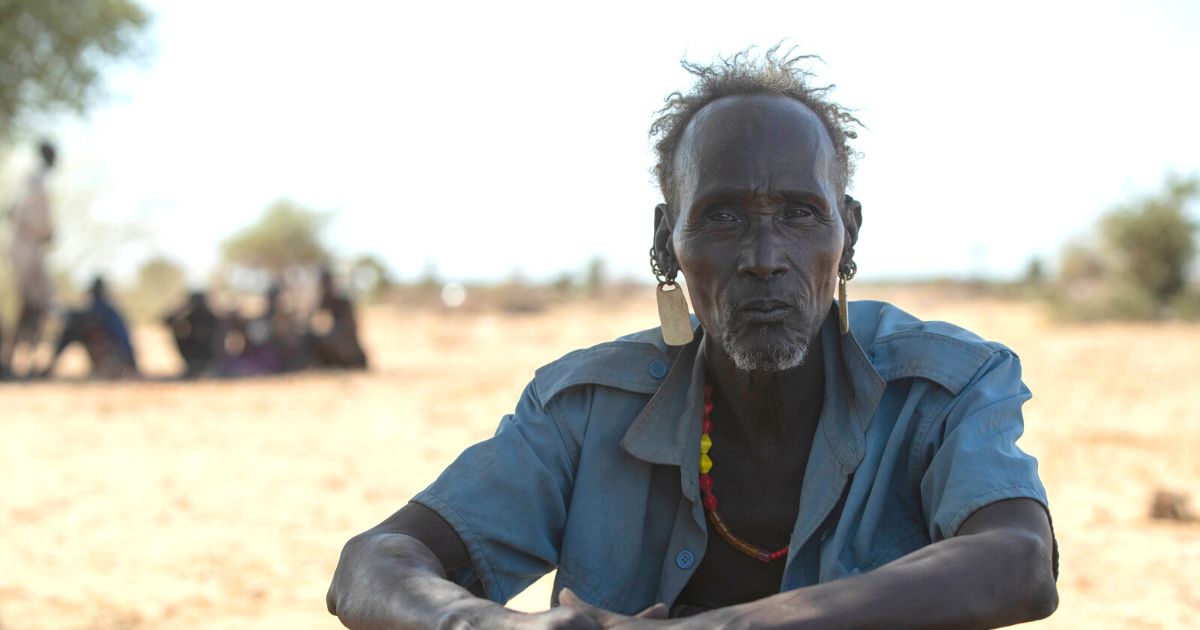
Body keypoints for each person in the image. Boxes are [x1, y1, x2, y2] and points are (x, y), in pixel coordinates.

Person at [328, 48, 1058, 628]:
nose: (765, 257)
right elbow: (372, 565)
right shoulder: (583, 410)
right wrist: (489, 625)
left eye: (800, 214)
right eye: (724, 217)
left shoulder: (944, 388)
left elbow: (1020, 561)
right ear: (665, 244)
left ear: (850, 233)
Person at [2, 141, 58, 378]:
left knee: (38, 305)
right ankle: (9, 361)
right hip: (23, 250)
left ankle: (24, 361)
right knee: (24, 306)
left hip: (31, 250)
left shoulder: (37, 180)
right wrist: (43, 231)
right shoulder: (34, 179)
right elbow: (16, 211)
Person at [42, 277, 137, 378]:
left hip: (120, 351)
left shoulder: (102, 307)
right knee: (78, 330)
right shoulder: (106, 307)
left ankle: (50, 365)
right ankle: (50, 366)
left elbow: (88, 318)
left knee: (73, 331)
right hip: (123, 352)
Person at [306, 269, 367, 370]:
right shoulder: (324, 301)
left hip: (352, 353)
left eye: (326, 284)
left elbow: (350, 328)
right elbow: (309, 321)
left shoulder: (342, 302)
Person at [163, 290, 223, 377]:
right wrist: (181, 310)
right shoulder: (189, 317)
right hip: (192, 355)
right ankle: (194, 364)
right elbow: (167, 321)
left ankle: (207, 365)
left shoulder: (212, 318)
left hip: (209, 356)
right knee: (177, 329)